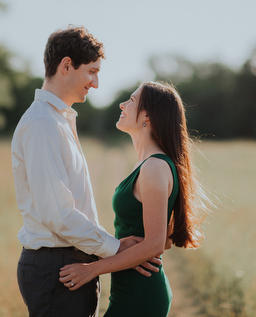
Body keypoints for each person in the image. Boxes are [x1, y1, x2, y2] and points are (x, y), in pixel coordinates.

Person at [11, 26, 159, 317]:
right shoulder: (44, 124)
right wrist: (116, 248)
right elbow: (57, 212)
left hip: (64, 265)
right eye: (92, 71)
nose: (96, 83)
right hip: (56, 268)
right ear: (66, 66)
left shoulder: (58, 121)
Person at [59, 81, 209, 317]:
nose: (122, 104)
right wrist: (126, 246)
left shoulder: (154, 167)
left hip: (141, 295)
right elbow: (165, 238)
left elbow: (155, 244)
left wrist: (91, 270)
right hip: (130, 289)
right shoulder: (148, 164)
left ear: (147, 116)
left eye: (131, 100)